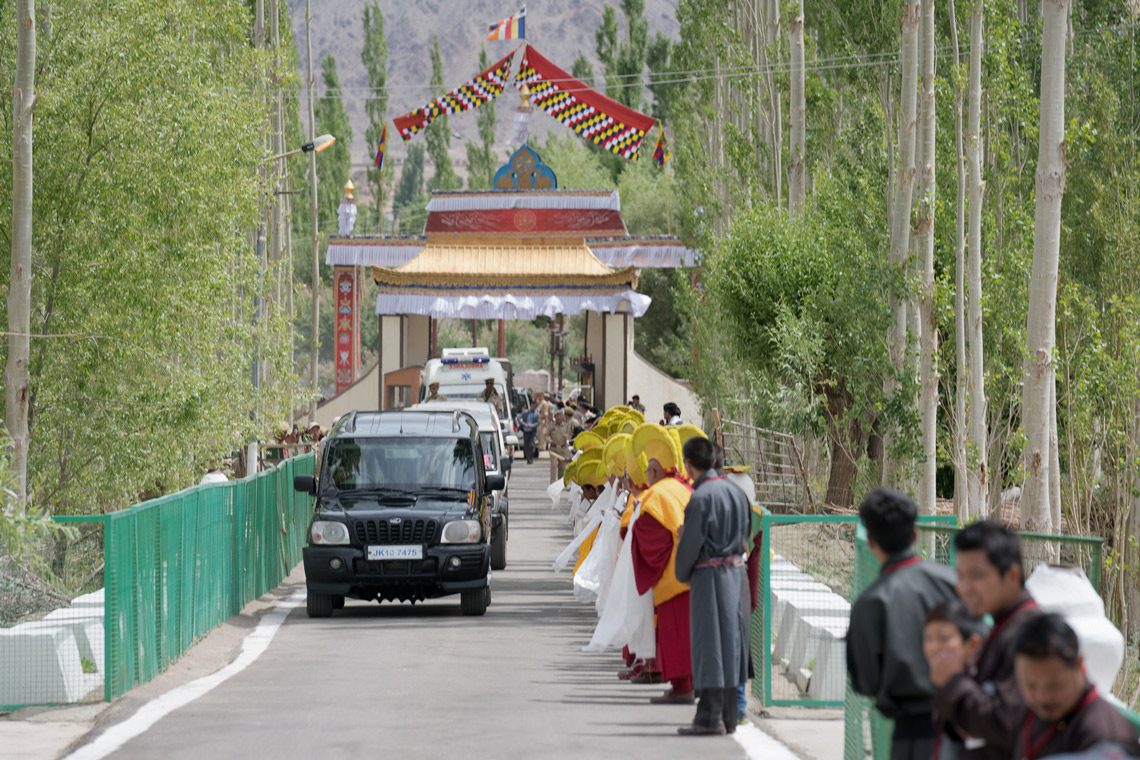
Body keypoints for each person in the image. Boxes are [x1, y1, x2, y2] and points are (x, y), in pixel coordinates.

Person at [847, 487, 959, 760]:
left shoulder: (870, 603)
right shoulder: (952, 582)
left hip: (911, 735)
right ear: (915, 535)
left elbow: (865, 682)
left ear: (871, 540)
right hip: (965, 726)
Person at [930, 520, 1040, 760]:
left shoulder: (1031, 632)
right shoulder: (1005, 624)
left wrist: (954, 680)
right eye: (960, 576)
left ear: (1012, 575)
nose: (965, 588)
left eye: (976, 576)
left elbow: (1005, 724)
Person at [673, 435, 750, 736]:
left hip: (709, 576)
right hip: (736, 573)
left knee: (710, 646)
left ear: (688, 465)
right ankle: (730, 716)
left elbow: (691, 545)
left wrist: (683, 570)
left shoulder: (702, 498)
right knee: (732, 645)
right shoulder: (736, 492)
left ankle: (709, 717)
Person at [1011, 614, 1140, 758]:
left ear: (1079, 664)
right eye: (1030, 686)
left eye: (1054, 686)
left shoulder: (1104, 735)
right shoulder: (1032, 710)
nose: (1042, 697)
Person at [630, 424, 695, 706]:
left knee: (676, 635)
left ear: (654, 471)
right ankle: (685, 684)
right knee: (685, 636)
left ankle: (683, 688)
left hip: (673, 579)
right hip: (691, 572)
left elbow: (647, 533)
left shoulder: (657, 494)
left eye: (647, 472)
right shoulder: (681, 488)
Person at [923, 600, 986, 760]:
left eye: (943, 638)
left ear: (972, 644)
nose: (933, 647)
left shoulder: (980, 688)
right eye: (928, 638)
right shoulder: (946, 685)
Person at [548, 408, 572, 482]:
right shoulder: (552, 426)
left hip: (563, 449)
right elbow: (546, 434)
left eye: (560, 417)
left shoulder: (566, 426)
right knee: (554, 466)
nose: (558, 419)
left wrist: (566, 436)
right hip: (554, 449)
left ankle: (561, 483)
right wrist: (550, 440)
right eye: (557, 417)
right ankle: (552, 482)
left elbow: (569, 434)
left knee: (562, 467)